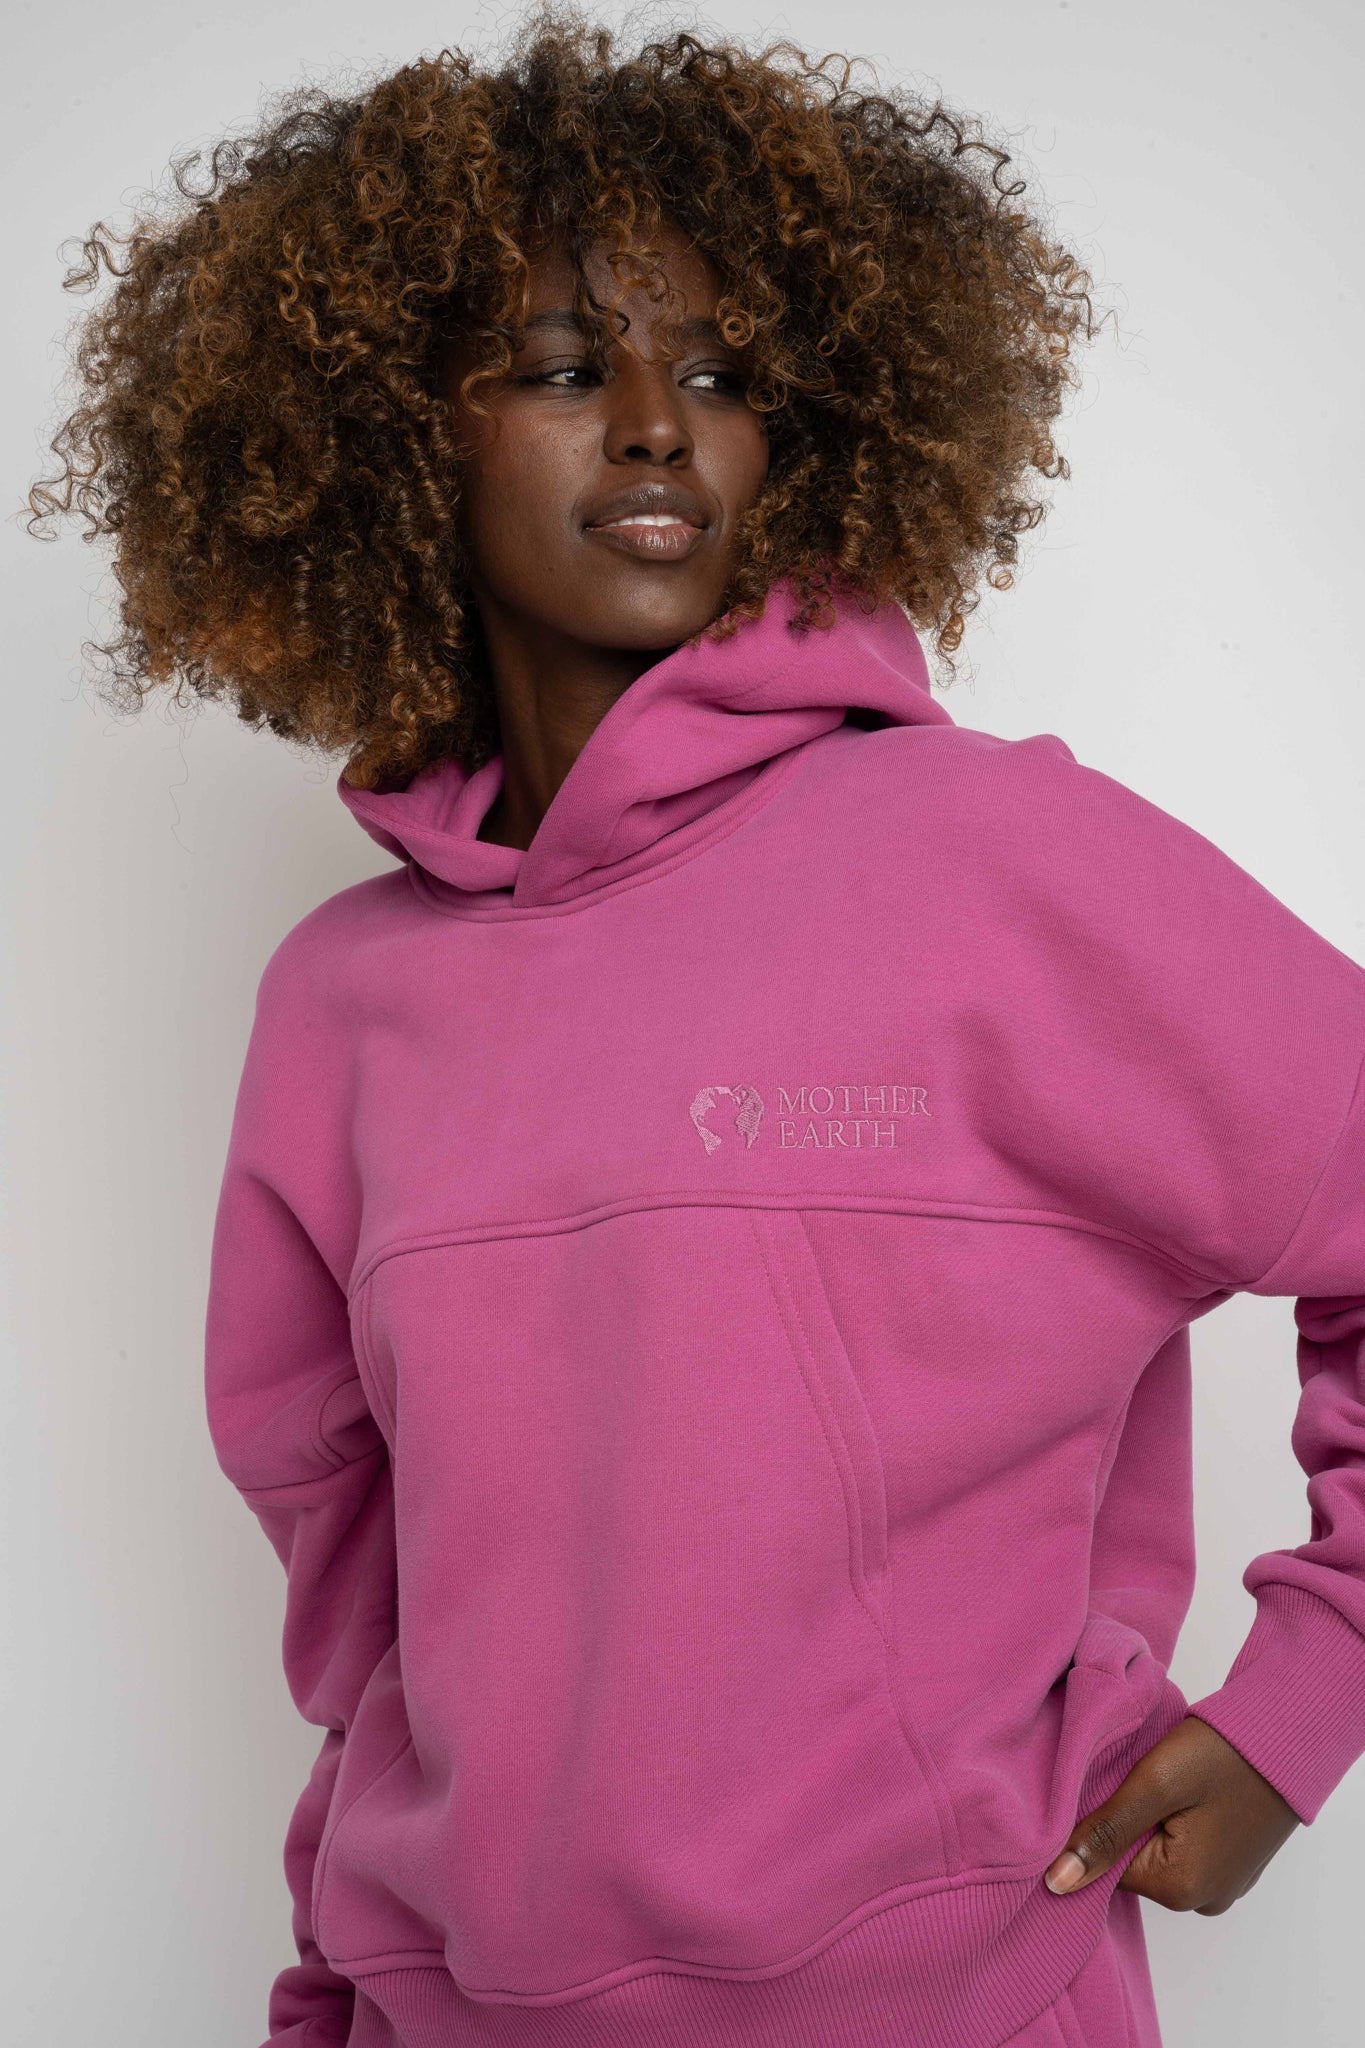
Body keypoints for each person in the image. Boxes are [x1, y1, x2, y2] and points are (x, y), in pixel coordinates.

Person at [27, 14, 1365, 2047]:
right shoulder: (340, 1007)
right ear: (393, 433)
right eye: (566, 368)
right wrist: (328, 1992)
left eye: (724, 376)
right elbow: (367, 1628)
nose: (657, 426)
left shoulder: (1002, 863)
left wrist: (1304, 1696)